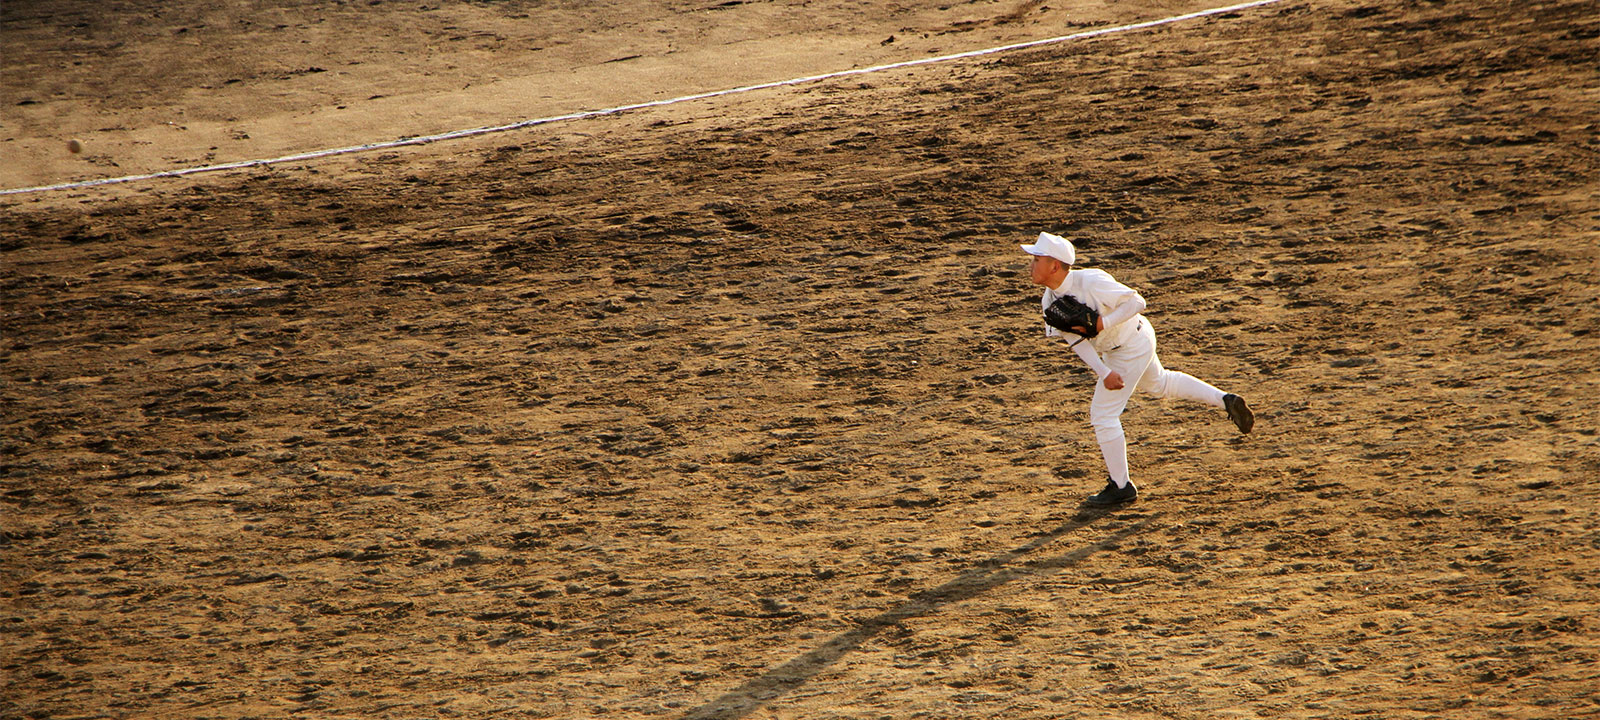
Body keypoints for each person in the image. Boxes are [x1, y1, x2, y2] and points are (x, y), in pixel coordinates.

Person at [1021, 231, 1254, 506]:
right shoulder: (1049, 302)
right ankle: (1225, 400)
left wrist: (1102, 325)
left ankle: (1121, 486)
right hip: (1126, 346)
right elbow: (1076, 339)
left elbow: (1137, 302)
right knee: (1160, 384)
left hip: (1131, 343)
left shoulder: (1091, 280)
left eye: (1036, 259)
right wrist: (1104, 372)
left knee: (1103, 414)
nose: (1031, 265)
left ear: (1054, 266)